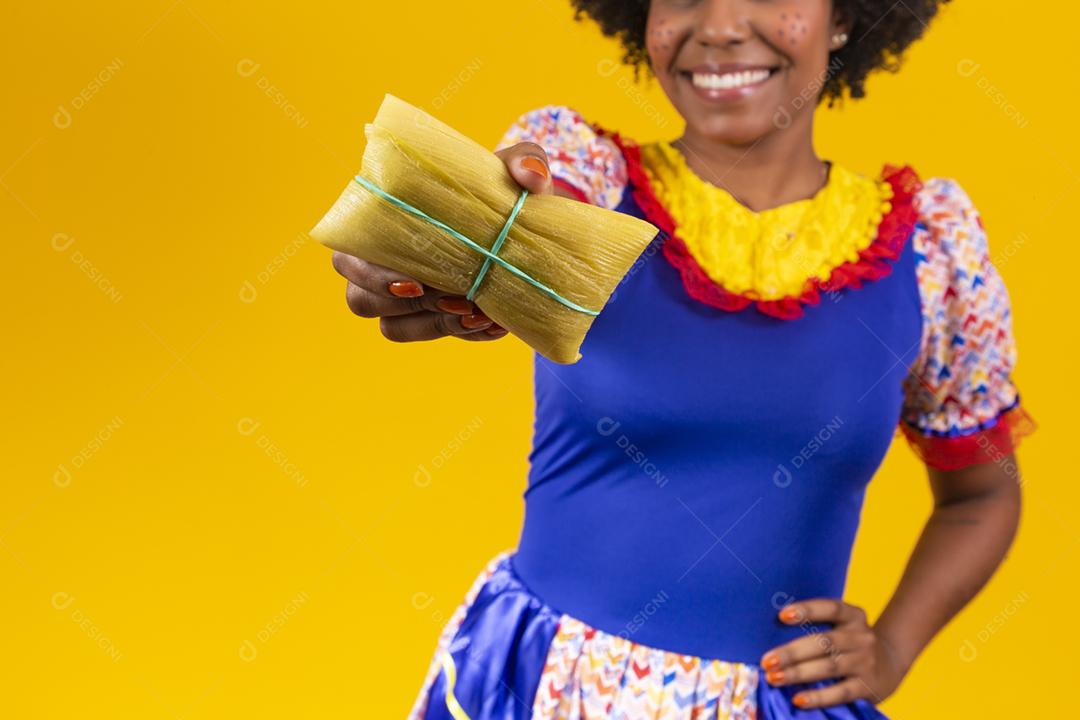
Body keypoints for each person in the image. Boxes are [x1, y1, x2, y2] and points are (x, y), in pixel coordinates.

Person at [331, 1, 1036, 717]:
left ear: (847, 16)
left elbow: (985, 489)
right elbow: (525, 214)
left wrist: (891, 649)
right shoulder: (587, 176)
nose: (723, 26)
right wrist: (455, 251)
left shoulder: (930, 253)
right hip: (547, 687)